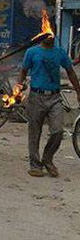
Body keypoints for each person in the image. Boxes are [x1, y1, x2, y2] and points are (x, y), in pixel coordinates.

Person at [17, 33, 80, 178]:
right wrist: (18, 87)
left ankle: (47, 158)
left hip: (54, 97)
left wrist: (78, 91)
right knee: (34, 132)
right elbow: (23, 70)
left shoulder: (60, 52)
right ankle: (35, 164)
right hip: (36, 97)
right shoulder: (32, 52)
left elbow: (70, 71)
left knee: (57, 131)